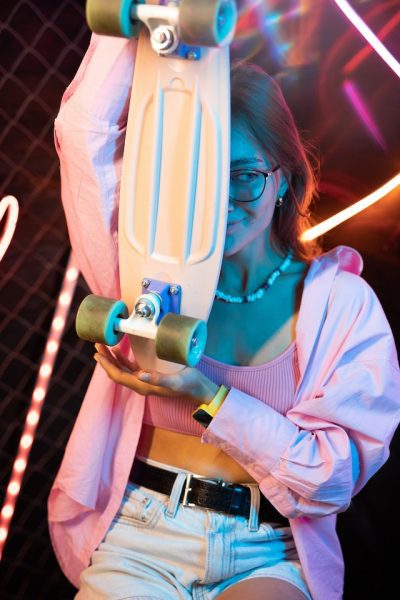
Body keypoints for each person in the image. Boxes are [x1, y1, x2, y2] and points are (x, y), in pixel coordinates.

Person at [48, 33, 400, 600]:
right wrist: (139, 24)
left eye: (244, 176)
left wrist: (205, 392)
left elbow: (330, 478)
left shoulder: (342, 304)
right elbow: (82, 133)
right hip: (142, 533)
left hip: (267, 547)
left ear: (282, 177)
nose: (218, 199)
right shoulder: (141, 272)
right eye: (199, 175)